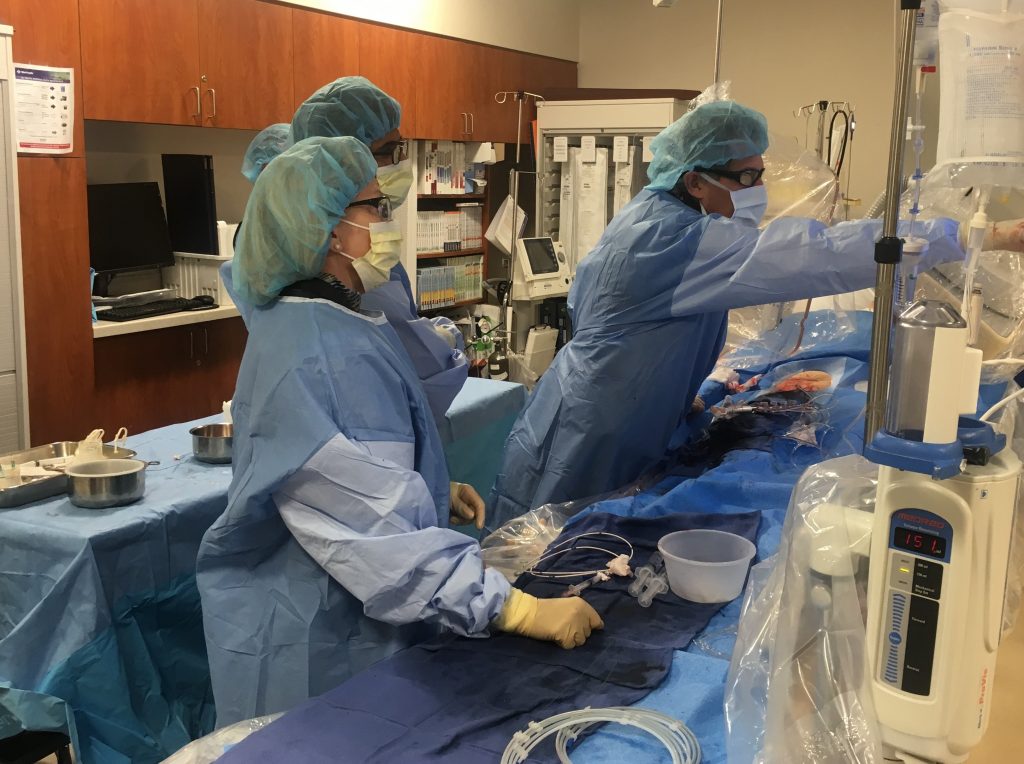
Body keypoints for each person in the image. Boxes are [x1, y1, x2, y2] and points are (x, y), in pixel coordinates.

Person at [197, 136, 603, 726]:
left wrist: (433, 489)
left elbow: (361, 474)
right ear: (331, 231)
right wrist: (512, 609)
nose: (385, 223)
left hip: (347, 598)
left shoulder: (337, 319)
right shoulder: (319, 349)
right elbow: (370, 529)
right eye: (374, 208)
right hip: (325, 624)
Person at [488, 99, 964, 529]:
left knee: (578, 532)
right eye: (747, 177)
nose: (758, 189)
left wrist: (673, 392)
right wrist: (952, 239)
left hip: (605, 403)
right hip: (593, 425)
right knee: (544, 544)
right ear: (694, 180)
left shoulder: (660, 215)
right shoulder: (676, 240)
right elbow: (817, 255)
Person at [290, 76, 470, 432]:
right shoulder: (347, 270)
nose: (398, 164)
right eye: (389, 151)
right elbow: (418, 374)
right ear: (345, 158)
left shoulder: (312, 256)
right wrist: (445, 340)